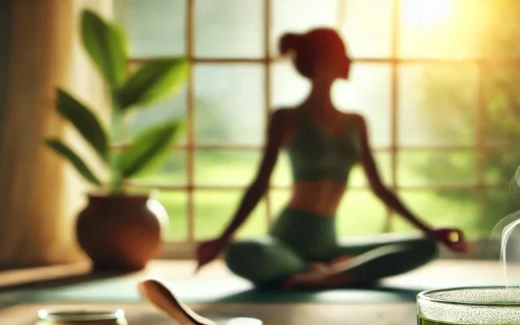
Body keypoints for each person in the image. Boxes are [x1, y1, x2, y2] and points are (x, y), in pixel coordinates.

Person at [196, 28, 468, 289]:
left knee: (425, 247)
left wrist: (430, 230)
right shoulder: (286, 118)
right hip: (288, 241)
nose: (350, 60)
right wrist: (222, 239)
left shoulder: (356, 123)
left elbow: (380, 188)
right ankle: (322, 272)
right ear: (324, 59)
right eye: (344, 53)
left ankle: (327, 276)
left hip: (330, 243)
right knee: (240, 254)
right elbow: (260, 184)